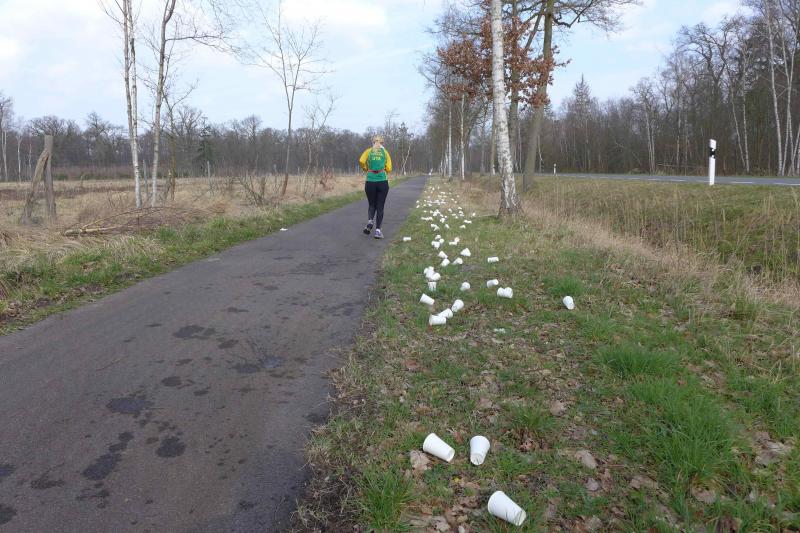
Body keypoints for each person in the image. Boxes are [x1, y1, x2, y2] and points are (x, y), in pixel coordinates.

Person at [359, 135, 393, 239]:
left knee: (371, 204)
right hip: (382, 181)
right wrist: (384, 170)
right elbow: (389, 168)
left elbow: (361, 161)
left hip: (370, 181)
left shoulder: (368, 151)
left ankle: (370, 221)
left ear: (373, 142)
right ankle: (378, 231)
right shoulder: (385, 152)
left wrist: (366, 168)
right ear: (382, 143)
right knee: (380, 206)